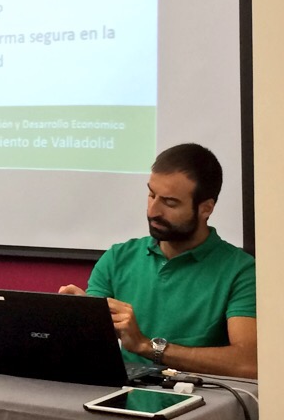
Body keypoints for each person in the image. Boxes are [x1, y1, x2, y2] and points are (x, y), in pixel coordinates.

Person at [59, 143, 256, 378]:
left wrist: (146, 346)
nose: (153, 211)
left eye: (170, 203)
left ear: (206, 209)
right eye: (151, 195)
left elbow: (248, 363)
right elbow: (91, 346)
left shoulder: (242, 271)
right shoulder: (118, 257)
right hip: (122, 393)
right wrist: (80, 317)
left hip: (199, 397)